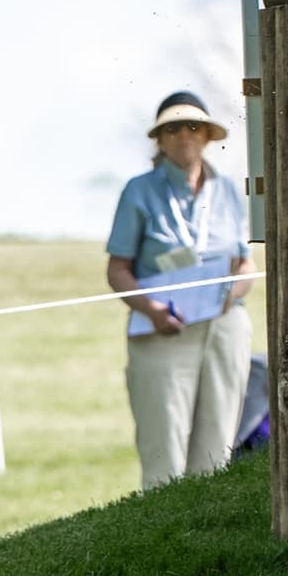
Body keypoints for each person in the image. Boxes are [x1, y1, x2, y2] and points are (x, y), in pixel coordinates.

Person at [106, 90, 254, 490]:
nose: (184, 135)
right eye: (173, 129)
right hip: (162, 329)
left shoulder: (227, 190)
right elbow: (117, 270)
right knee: (164, 447)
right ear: (160, 139)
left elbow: (246, 263)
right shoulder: (139, 191)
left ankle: (211, 522)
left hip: (223, 326)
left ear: (207, 135)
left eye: (192, 126)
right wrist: (152, 310)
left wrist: (231, 293)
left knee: (217, 446)